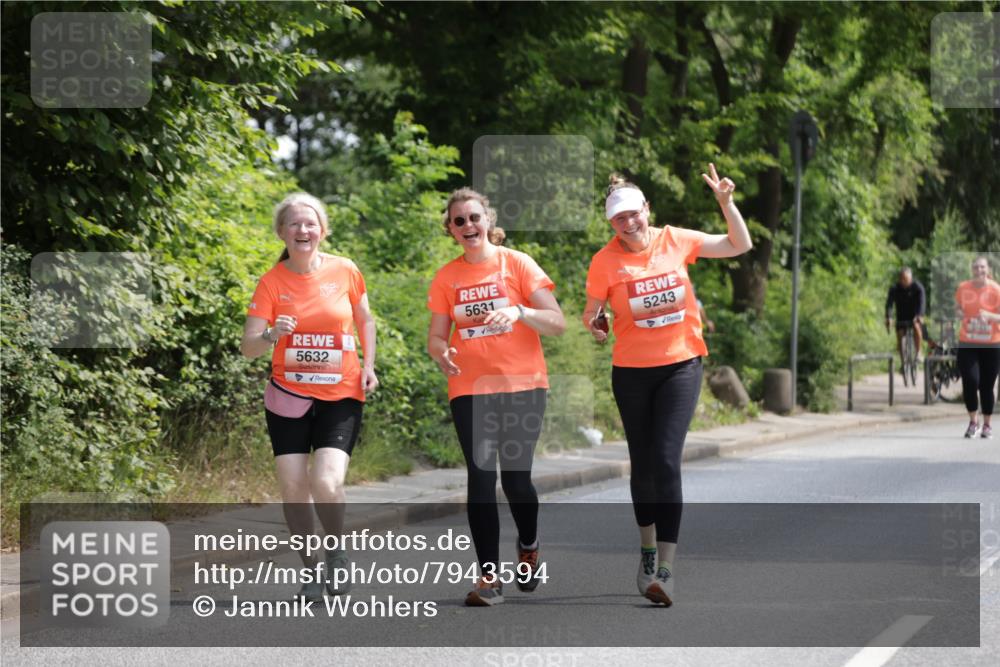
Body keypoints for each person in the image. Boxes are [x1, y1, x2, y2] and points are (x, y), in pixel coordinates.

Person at [583, 165, 751, 606]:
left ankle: (667, 570)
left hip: (681, 364)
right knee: (642, 465)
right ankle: (646, 550)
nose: (629, 223)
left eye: (634, 214)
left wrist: (726, 204)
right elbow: (593, 312)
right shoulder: (604, 262)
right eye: (619, 219)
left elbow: (739, 244)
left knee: (666, 460)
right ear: (611, 224)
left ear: (647, 210)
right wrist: (597, 326)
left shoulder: (674, 239)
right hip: (631, 370)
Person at [427, 188, 566, 606]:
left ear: (487, 220)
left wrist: (521, 311)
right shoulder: (447, 277)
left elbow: (557, 322)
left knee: (517, 481)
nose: (468, 226)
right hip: (469, 387)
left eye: (474, 218)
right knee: (482, 477)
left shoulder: (516, 264)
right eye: (459, 221)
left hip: (523, 386)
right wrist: (442, 352)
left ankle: (528, 543)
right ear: (450, 229)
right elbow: (436, 336)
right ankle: (488, 577)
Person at [241, 192, 378, 600]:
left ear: (323, 230)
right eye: (295, 224)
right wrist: (271, 335)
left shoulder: (345, 270)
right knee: (293, 488)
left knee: (326, 480)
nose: (304, 230)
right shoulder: (271, 282)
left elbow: (365, 319)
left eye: (311, 223)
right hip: (288, 397)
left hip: (341, 394)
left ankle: (336, 554)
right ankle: (312, 569)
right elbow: (249, 346)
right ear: (282, 232)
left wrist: (369, 365)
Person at [954, 256, 1000, 439]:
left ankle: (987, 424)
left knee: (987, 385)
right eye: (976, 267)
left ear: (987, 270)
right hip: (968, 341)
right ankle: (973, 421)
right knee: (970, 381)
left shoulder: (996, 289)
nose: (979, 270)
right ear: (972, 270)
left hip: (992, 343)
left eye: (982, 267)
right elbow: (957, 308)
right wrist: (961, 314)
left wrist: (990, 316)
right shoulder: (964, 287)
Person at [885, 267, 926, 369]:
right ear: (899, 279)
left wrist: (920, 315)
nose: (904, 282)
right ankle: (903, 362)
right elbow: (889, 304)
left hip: (915, 314)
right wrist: (889, 317)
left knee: (916, 326)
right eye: (902, 279)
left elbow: (922, 302)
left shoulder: (917, 287)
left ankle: (918, 352)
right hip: (901, 315)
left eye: (907, 279)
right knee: (899, 333)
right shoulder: (894, 288)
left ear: (911, 279)